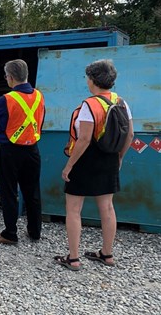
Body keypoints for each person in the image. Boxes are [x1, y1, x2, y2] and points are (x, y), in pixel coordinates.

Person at [54, 59, 134, 271]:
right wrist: (120, 157)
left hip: (85, 160)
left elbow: (84, 139)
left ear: (92, 80)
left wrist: (69, 166)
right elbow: (131, 134)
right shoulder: (121, 102)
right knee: (107, 207)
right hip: (109, 158)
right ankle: (106, 254)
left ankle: (73, 258)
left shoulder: (90, 105)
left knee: (73, 209)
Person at [0, 59, 45, 245]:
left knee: (9, 191)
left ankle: (10, 233)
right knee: (32, 191)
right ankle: (35, 231)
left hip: (10, 150)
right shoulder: (39, 96)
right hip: (32, 149)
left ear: (10, 77)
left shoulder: (6, 99)